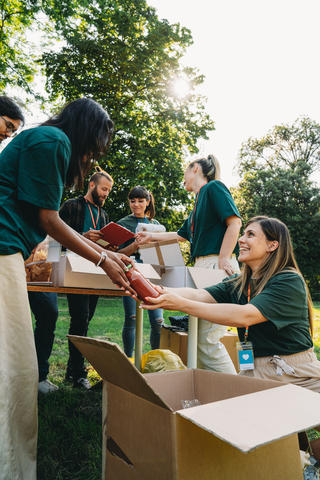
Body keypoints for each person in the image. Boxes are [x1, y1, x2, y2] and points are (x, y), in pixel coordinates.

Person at [0, 97, 133, 480]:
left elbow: (48, 219)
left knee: (19, 368)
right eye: (94, 145)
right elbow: (49, 218)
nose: (91, 155)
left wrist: (108, 255)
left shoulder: (45, 140)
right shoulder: (53, 142)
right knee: (15, 371)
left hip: (10, 251)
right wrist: (102, 259)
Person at [142, 216, 320, 392]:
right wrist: (153, 289)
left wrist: (181, 304)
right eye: (243, 234)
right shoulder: (239, 282)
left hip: (297, 375)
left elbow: (245, 316)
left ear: (272, 245)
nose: (241, 240)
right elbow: (199, 294)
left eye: (250, 235)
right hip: (253, 371)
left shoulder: (288, 280)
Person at [136, 155, 241, 373]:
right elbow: (182, 235)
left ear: (195, 168)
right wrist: (150, 239)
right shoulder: (198, 202)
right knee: (199, 339)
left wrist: (223, 257)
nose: (183, 178)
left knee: (207, 340)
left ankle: (233, 392)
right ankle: (209, 390)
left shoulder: (214, 188)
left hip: (217, 266)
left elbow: (235, 222)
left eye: (185, 171)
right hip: (203, 267)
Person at [59, 167, 114, 389]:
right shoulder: (71, 206)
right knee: (80, 319)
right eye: (103, 189)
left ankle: (71, 371)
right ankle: (78, 374)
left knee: (85, 320)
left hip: (97, 273)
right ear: (92, 185)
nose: (105, 194)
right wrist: (82, 237)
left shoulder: (104, 215)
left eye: (109, 191)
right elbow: (53, 236)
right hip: (75, 272)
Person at [117, 186, 164, 357]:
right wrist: (135, 245)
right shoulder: (122, 224)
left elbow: (163, 253)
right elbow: (117, 255)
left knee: (158, 320)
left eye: (140, 201)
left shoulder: (156, 226)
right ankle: (128, 360)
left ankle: (156, 359)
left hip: (153, 274)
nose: (136, 204)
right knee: (131, 317)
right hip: (130, 272)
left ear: (148, 202)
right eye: (132, 201)